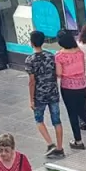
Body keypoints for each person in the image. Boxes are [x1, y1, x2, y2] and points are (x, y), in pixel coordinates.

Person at [55, 31, 86, 150]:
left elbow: (59, 73)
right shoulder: (80, 53)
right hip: (82, 84)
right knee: (82, 108)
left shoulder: (59, 56)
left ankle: (78, 140)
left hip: (68, 87)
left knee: (72, 113)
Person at [25, 30, 65, 159]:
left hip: (39, 95)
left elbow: (32, 81)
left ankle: (50, 143)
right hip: (53, 92)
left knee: (39, 119)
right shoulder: (51, 56)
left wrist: (31, 99)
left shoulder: (30, 60)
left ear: (31, 43)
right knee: (56, 120)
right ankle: (59, 147)